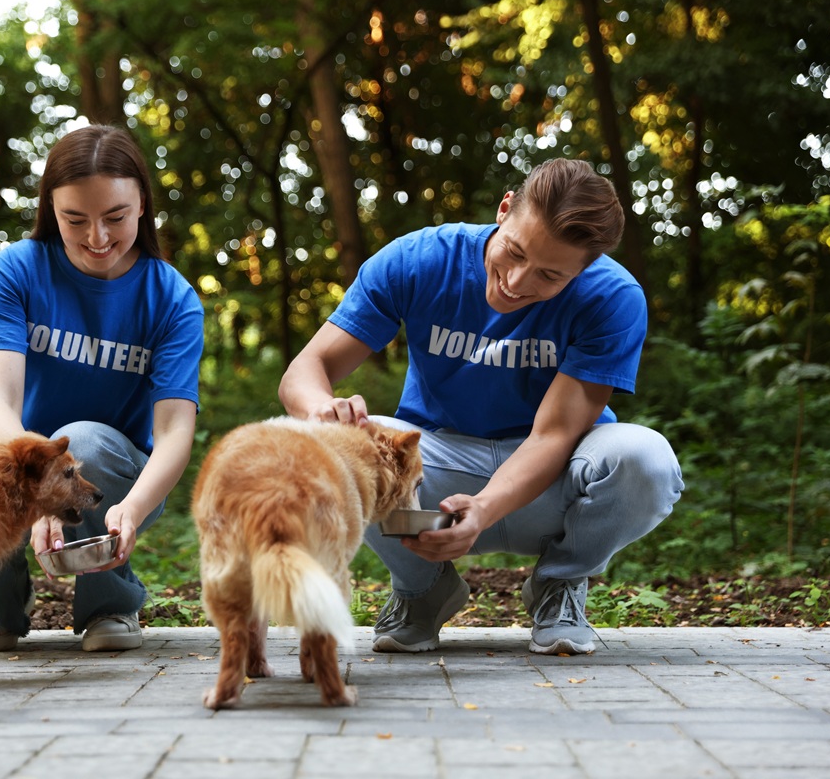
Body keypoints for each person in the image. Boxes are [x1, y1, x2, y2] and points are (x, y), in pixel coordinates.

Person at [278, 158, 683, 656]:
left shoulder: (611, 297)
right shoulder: (420, 260)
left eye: (550, 275)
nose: (517, 281)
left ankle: (559, 585)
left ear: (584, 269)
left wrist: (485, 508)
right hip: (434, 486)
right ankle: (423, 589)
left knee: (646, 459)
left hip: (552, 484)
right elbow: (305, 369)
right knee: (340, 447)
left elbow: (554, 435)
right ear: (504, 209)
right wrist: (322, 411)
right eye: (514, 251)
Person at [0, 124, 203, 653]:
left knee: (83, 440)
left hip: (116, 472)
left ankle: (110, 605)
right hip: (15, 455)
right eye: (75, 220)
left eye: (115, 217)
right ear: (51, 209)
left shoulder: (173, 299)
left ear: (142, 205)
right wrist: (42, 491)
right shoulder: (12, 271)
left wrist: (133, 509)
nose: (97, 238)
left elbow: (175, 432)